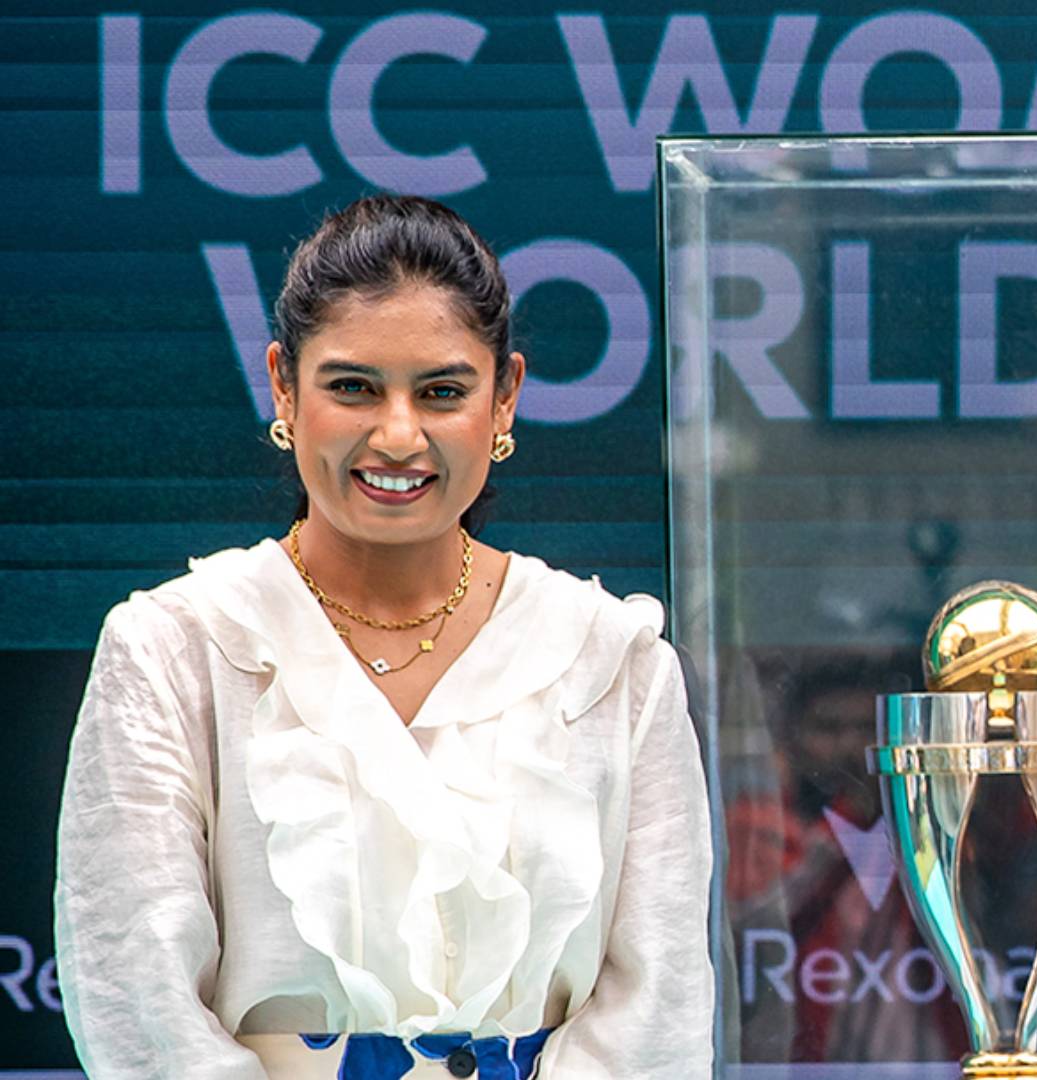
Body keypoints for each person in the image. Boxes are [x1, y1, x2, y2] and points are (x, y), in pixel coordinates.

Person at [54, 195, 714, 1078]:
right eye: (353, 387)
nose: (398, 436)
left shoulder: (613, 661)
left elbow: (658, 1010)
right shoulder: (174, 650)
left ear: (505, 397)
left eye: (442, 392)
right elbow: (134, 998)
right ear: (283, 385)